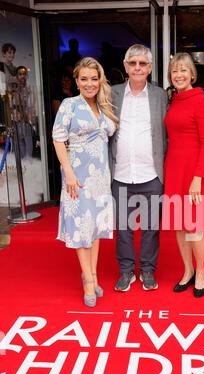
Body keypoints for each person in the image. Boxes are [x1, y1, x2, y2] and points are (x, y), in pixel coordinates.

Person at [52, 57, 118, 307]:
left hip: (100, 178)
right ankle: (89, 281)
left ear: (100, 81)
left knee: (96, 228)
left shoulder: (104, 106)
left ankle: (92, 274)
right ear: (76, 81)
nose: (89, 84)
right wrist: (68, 171)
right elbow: (58, 139)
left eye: (94, 78)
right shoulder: (69, 105)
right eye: (84, 79)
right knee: (81, 228)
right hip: (76, 176)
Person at [163, 52, 204, 298]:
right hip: (175, 167)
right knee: (180, 225)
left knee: (194, 226)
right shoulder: (174, 100)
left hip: (195, 170)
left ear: (192, 74)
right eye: (174, 71)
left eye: (183, 70)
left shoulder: (202, 101)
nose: (178, 75)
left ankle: (201, 271)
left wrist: (198, 178)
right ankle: (187, 270)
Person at [110, 44, 168, 292]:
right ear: (125, 66)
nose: (137, 68)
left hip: (151, 173)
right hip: (120, 173)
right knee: (123, 228)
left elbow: (167, 133)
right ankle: (126, 271)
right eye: (132, 63)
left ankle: (147, 270)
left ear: (150, 67)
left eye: (142, 63)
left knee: (151, 228)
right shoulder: (111, 93)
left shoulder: (160, 96)